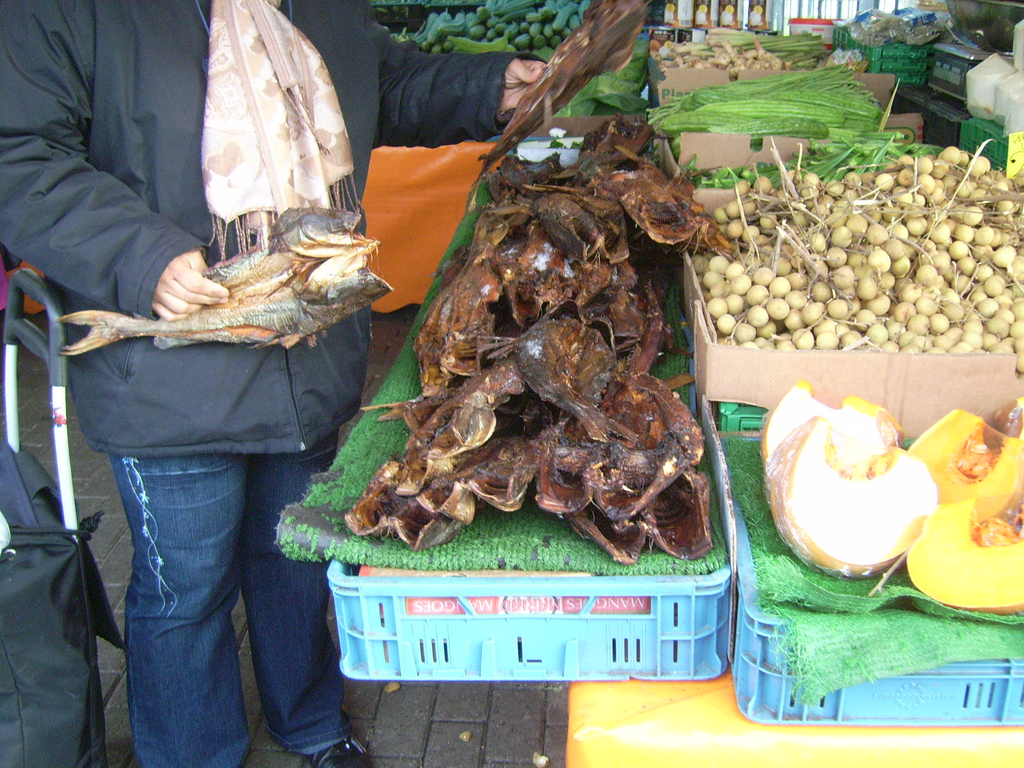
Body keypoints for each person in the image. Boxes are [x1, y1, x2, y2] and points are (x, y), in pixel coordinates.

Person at [0, 2, 545, 767]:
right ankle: (197, 754)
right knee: (187, 591)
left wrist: (492, 85)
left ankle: (312, 724)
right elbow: (17, 152)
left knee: (293, 563)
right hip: (169, 369)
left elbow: (387, 80)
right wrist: (138, 250)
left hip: (309, 347)